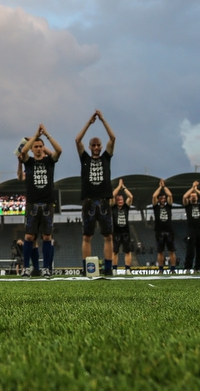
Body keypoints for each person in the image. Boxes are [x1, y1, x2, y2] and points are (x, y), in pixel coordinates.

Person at [18, 124, 63, 278]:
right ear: (32, 148)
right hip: (32, 204)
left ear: (43, 148)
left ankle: (46, 268)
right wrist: (36, 135)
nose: (38, 148)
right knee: (29, 237)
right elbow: (23, 152)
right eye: (35, 146)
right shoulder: (28, 162)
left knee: (46, 237)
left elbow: (59, 150)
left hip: (47, 204)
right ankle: (25, 268)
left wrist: (47, 135)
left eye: (40, 146)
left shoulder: (49, 162)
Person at [75, 110, 117, 276]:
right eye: (93, 145)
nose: (96, 147)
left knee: (108, 236)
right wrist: (89, 123)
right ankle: (87, 269)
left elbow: (113, 139)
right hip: (89, 202)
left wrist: (103, 120)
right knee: (87, 236)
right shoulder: (84, 158)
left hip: (105, 201)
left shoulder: (106, 158)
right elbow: (77, 140)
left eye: (98, 144)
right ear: (90, 147)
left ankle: (108, 268)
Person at [182, 181, 200, 274]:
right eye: (192, 196)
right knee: (190, 249)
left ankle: (198, 268)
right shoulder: (188, 206)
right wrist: (192, 188)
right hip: (191, 229)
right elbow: (184, 197)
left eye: (195, 196)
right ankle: (188, 267)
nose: (193, 197)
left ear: (197, 197)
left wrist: (196, 190)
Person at [151, 180, 176, 273]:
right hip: (159, 231)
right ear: (158, 200)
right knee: (160, 251)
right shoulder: (156, 207)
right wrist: (160, 187)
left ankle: (173, 269)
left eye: (164, 198)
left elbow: (170, 195)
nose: (163, 199)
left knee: (171, 251)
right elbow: (154, 196)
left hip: (169, 230)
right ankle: (161, 269)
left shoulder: (168, 206)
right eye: (161, 198)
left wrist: (164, 187)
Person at [111, 179, 134, 273]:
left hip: (126, 233)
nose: (120, 201)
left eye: (121, 199)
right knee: (115, 251)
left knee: (127, 251)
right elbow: (112, 195)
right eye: (119, 200)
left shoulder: (126, 207)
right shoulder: (113, 207)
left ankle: (127, 269)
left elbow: (131, 196)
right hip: (116, 232)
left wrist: (123, 187)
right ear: (116, 201)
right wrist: (118, 186)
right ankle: (114, 269)